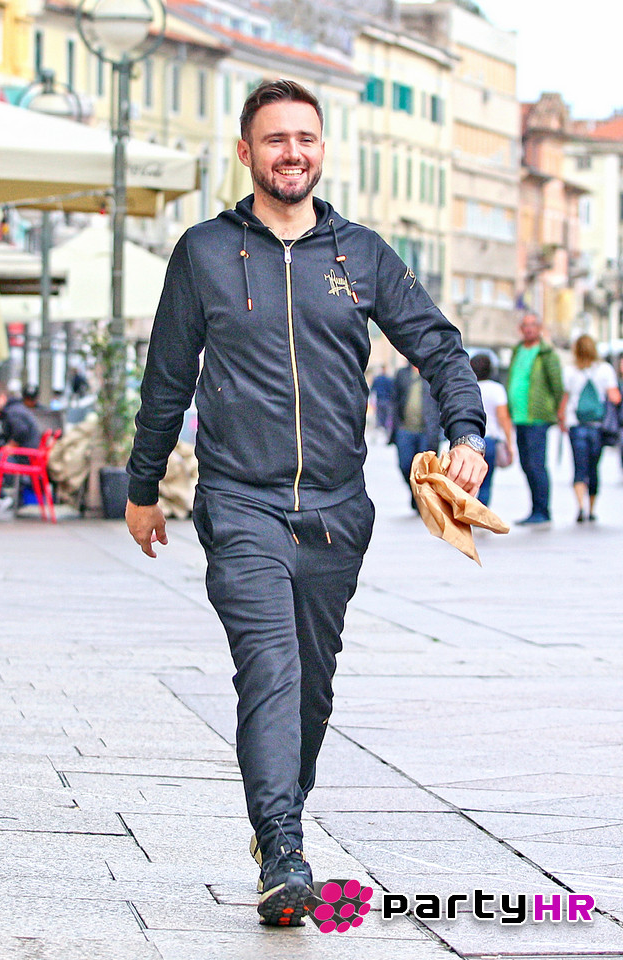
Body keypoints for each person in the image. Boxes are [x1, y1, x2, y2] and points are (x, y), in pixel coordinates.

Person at [125, 79, 487, 928]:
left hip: (335, 514)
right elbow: (167, 378)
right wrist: (142, 488)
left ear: (322, 150)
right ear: (245, 152)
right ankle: (285, 850)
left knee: (312, 692)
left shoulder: (360, 254)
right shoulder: (204, 252)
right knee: (270, 670)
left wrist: (467, 434)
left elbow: (440, 347)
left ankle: (275, 821)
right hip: (240, 503)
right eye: (275, 139)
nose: (292, 153)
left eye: (306, 139)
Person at [507, 313, 563, 525]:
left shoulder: (546, 354)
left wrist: (558, 411)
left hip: (537, 418)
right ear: (520, 329)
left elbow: (557, 386)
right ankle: (535, 509)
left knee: (536, 464)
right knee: (526, 464)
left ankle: (542, 510)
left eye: (533, 325)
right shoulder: (517, 350)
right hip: (519, 417)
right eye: (525, 325)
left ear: (539, 328)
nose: (529, 329)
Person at [558, 334, 620, 522]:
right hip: (598, 426)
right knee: (593, 467)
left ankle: (580, 506)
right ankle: (592, 509)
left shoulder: (569, 371)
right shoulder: (605, 370)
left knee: (579, 466)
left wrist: (561, 419)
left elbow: (565, 399)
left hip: (576, 425)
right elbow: (615, 397)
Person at [0, 383, 42, 512]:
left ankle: (0, 497)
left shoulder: (13, 411)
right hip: (23, 455)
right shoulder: (13, 409)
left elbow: (21, 431)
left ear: (2, 397)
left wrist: (10, 446)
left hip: (22, 457)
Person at [390, 363, 440, 509]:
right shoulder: (403, 374)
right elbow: (395, 399)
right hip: (405, 428)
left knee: (424, 469)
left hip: (427, 430)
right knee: (405, 465)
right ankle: (415, 492)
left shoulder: (433, 372)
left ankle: (420, 498)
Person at [470, 353, 514, 507]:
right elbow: (503, 418)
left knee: (468, 479)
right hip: (489, 440)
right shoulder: (496, 389)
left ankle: (465, 510)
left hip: (469, 439)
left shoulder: (469, 387)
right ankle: (480, 512)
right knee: (486, 481)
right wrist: (509, 443)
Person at [369, 364, 393, 431]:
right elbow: (392, 390)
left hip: (379, 399)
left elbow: (372, 389)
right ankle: (385, 429)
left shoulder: (377, 379)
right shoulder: (388, 379)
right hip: (387, 400)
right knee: (386, 416)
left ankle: (379, 428)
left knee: (379, 415)